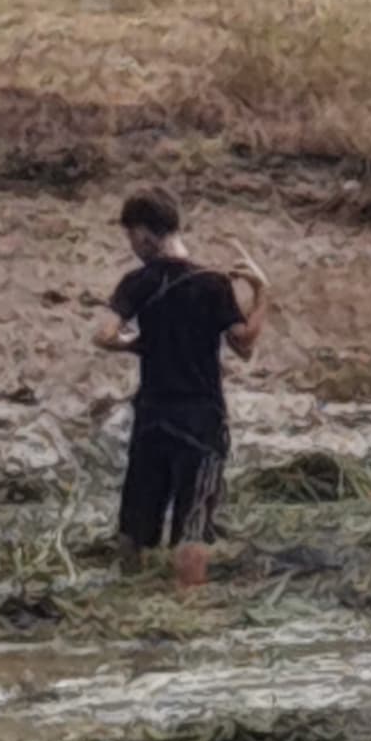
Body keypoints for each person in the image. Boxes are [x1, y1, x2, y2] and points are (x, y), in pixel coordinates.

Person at [97, 191, 263, 594]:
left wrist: (135, 344)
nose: (132, 247)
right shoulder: (212, 283)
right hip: (201, 420)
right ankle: (188, 616)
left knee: (136, 524)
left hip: (152, 417)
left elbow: (103, 335)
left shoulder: (137, 283)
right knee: (192, 526)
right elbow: (245, 345)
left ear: (143, 235)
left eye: (131, 237)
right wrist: (262, 294)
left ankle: (128, 601)